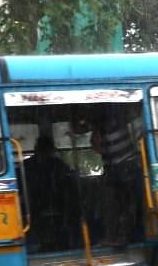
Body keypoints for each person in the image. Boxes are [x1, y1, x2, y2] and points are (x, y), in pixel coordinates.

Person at [89, 106, 141, 247]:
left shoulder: (118, 120)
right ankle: (113, 236)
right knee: (112, 204)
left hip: (126, 165)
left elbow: (96, 146)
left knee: (125, 204)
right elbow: (96, 146)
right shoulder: (103, 130)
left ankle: (122, 237)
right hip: (113, 168)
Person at [21, 134, 80, 251]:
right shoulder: (27, 166)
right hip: (36, 206)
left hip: (54, 205)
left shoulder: (57, 165)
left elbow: (69, 187)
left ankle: (57, 243)